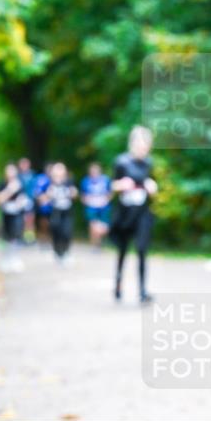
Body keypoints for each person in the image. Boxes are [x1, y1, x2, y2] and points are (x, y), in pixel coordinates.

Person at [110, 125, 158, 303]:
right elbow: (112, 186)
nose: (144, 149)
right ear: (132, 144)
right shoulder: (121, 162)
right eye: (140, 145)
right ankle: (118, 284)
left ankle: (143, 290)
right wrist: (121, 185)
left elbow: (151, 182)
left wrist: (152, 186)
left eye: (147, 146)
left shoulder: (149, 163)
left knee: (142, 249)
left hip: (142, 213)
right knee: (122, 251)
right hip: (125, 213)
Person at [0, 163, 29, 272]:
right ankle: (5, 259)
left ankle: (15, 258)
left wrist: (22, 202)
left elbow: (23, 197)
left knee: (16, 235)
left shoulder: (20, 184)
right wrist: (9, 190)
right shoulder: (2, 184)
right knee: (6, 237)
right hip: (6, 214)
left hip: (17, 214)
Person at [42, 162, 77, 263]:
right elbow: (42, 197)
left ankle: (66, 252)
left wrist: (71, 192)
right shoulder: (49, 183)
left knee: (67, 232)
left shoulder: (69, 181)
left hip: (67, 211)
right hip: (55, 211)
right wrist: (49, 194)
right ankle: (58, 252)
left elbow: (75, 194)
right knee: (56, 231)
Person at [81, 162, 113, 249]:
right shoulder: (86, 181)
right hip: (91, 207)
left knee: (104, 227)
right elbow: (83, 195)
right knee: (92, 225)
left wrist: (106, 200)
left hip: (104, 207)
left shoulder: (105, 180)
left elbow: (110, 193)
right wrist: (87, 201)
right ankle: (94, 244)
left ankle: (100, 241)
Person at [33, 163, 53, 247]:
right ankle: (43, 239)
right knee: (43, 222)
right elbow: (37, 192)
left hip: (54, 205)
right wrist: (44, 199)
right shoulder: (41, 179)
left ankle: (50, 239)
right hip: (44, 205)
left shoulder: (56, 179)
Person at [17, 157, 36, 244]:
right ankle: (21, 237)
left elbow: (35, 187)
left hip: (29, 200)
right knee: (21, 219)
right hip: (19, 200)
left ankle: (30, 238)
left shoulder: (32, 175)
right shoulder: (18, 175)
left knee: (29, 219)